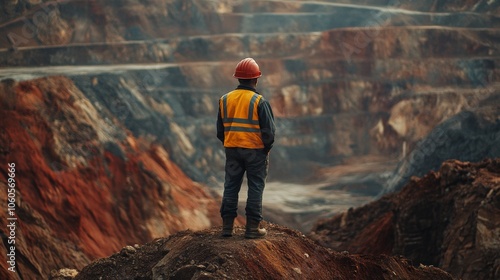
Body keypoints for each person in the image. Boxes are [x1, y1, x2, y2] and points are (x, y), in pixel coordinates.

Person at [216, 57, 276, 239]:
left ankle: (227, 228)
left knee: (231, 185)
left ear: (238, 78)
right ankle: (252, 229)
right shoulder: (260, 102)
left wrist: (232, 144)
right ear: (255, 79)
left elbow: (220, 131)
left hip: (232, 150)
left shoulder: (224, 99)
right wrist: (266, 149)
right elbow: (269, 132)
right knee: (256, 186)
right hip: (254, 152)